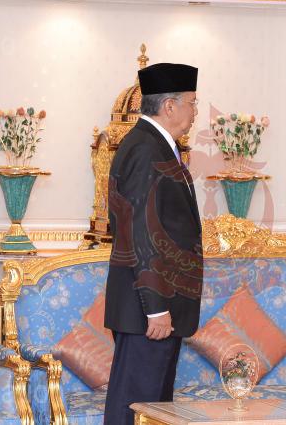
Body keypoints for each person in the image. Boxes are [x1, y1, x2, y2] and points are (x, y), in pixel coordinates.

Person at [104, 63, 203, 425]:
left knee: (155, 413)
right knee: (136, 410)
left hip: (157, 308)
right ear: (169, 106)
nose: (196, 111)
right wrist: (156, 306)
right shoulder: (145, 149)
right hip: (148, 311)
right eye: (192, 102)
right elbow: (139, 232)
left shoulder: (157, 145)